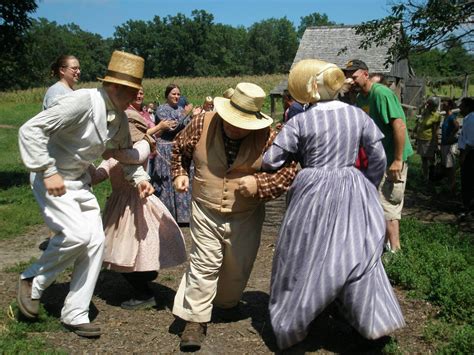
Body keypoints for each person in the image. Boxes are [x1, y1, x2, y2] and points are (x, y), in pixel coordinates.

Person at [263, 58, 405, 350]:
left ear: (309, 88)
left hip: (311, 189)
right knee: (359, 253)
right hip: (353, 186)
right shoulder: (357, 116)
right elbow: (377, 157)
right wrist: (364, 183)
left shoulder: (301, 120)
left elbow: (271, 160)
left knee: (303, 252)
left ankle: (297, 322)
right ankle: (372, 326)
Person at [16, 50, 154, 338]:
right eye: (131, 91)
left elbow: (124, 157)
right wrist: (47, 169)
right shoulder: (82, 101)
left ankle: (75, 313)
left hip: (80, 180)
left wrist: (139, 178)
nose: (134, 98)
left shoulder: (119, 119)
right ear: (114, 86)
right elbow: (31, 130)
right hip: (50, 176)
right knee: (76, 236)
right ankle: (33, 280)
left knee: (95, 243)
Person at [171, 82, 297, 351]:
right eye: (231, 121)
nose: (234, 127)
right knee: (204, 263)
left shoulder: (268, 136)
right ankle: (194, 321)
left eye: (242, 124)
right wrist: (180, 173)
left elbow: (289, 170)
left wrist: (260, 185)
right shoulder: (201, 123)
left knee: (237, 267)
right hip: (205, 207)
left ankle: (225, 303)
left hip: (245, 214)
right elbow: (179, 150)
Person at [89, 112, 187, 310]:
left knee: (136, 247)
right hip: (118, 206)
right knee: (118, 251)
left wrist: (107, 151)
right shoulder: (114, 150)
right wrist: (84, 163)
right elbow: (99, 175)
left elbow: (135, 158)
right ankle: (144, 277)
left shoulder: (140, 145)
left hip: (138, 203)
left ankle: (144, 291)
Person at [344, 59, 414, 253]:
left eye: (354, 76)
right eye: (347, 76)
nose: (350, 80)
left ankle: (396, 251)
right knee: (376, 202)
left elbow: (399, 125)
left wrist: (398, 160)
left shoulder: (381, 94)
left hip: (392, 157)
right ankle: (382, 246)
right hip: (378, 159)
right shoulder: (361, 98)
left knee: (388, 204)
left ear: (366, 74)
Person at [152, 84, 195, 224]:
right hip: (165, 149)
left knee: (182, 178)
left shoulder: (181, 109)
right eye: (173, 94)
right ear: (167, 95)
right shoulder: (162, 110)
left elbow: (187, 127)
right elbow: (172, 127)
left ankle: (184, 216)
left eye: (178, 94)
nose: (176, 97)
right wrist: (185, 114)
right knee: (167, 182)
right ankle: (168, 214)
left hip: (180, 148)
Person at [415, 97, 442, 181]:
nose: (427, 105)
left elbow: (435, 131)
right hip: (421, 138)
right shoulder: (425, 111)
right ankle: (425, 176)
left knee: (430, 159)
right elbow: (419, 114)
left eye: (429, 104)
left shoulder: (436, 116)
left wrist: (435, 144)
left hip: (429, 140)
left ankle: (431, 176)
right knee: (423, 159)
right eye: (428, 104)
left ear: (434, 106)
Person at [457, 97, 474, 219]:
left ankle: (467, 207)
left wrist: (463, 156)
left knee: (468, 181)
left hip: (470, 154)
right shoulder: (469, 118)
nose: (460, 108)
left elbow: (471, 140)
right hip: (469, 153)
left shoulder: (471, 119)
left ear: (467, 107)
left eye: (462, 106)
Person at [440, 99, 460, 193]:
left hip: (449, 144)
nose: (442, 105)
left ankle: (453, 186)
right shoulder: (446, 116)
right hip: (445, 143)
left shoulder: (452, 116)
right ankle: (449, 185)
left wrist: (451, 136)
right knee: (446, 166)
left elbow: (457, 126)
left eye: (444, 104)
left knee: (450, 166)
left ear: (449, 106)